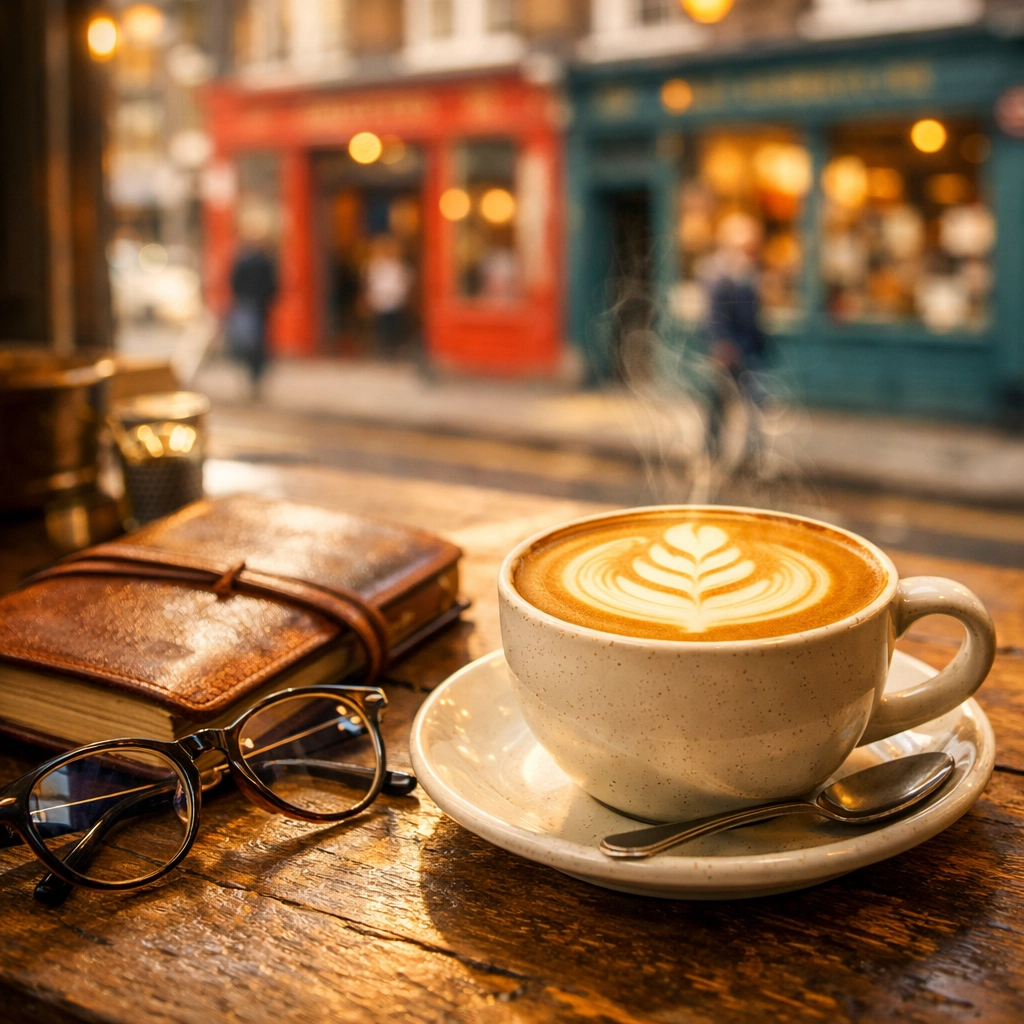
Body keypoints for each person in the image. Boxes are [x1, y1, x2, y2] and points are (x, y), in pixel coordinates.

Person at [704, 211, 768, 464]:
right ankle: (710, 453)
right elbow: (712, 314)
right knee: (719, 404)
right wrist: (720, 344)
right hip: (729, 351)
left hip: (749, 350)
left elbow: (752, 314)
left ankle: (752, 457)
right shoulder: (718, 272)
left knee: (754, 403)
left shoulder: (747, 271)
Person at [227, 210, 278, 391]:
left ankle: (252, 375)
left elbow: (233, 282)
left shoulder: (242, 260)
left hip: (247, 304)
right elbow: (274, 283)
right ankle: (257, 376)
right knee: (258, 343)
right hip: (260, 305)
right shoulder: (265, 260)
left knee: (248, 342)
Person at [363, 235, 411, 357]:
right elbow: (371, 283)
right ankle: (383, 349)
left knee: (394, 325)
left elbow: (405, 281)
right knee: (381, 325)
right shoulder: (375, 266)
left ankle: (393, 348)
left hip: (395, 300)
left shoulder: (398, 265)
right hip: (381, 301)